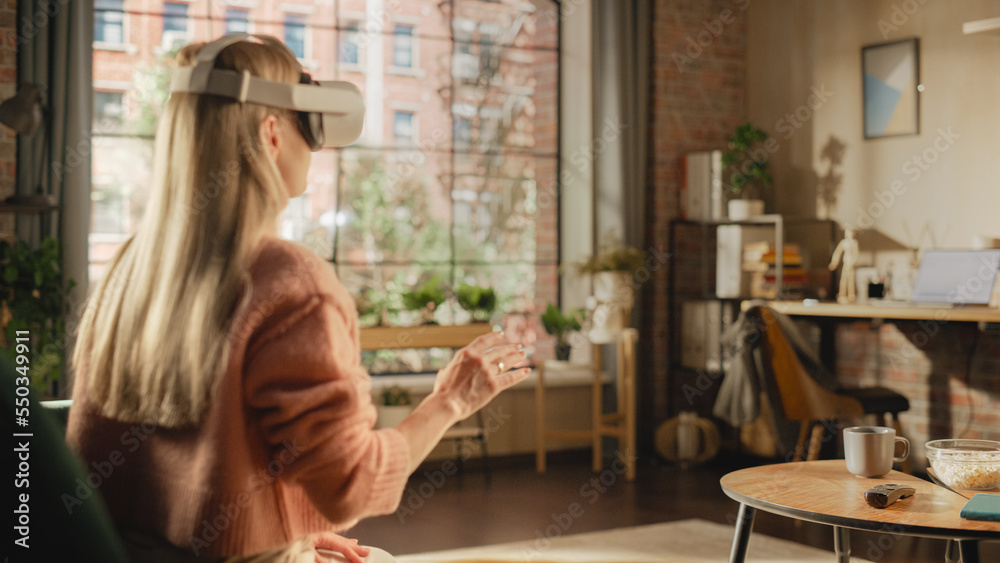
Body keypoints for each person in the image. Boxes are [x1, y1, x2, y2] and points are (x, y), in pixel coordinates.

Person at [66, 34, 528, 562]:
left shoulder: (130, 266)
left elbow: (132, 464)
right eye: (306, 126)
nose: (316, 147)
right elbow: (352, 488)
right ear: (270, 135)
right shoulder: (290, 282)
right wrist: (451, 400)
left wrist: (289, 527)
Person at [828, 225, 859, 303]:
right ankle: (842, 294)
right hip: (846, 264)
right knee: (843, 280)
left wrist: (853, 262)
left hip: (851, 264)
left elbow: (856, 254)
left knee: (851, 280)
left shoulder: (855, 243)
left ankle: (851, 295)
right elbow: (837, 253)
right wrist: (834, 262)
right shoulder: (843, 243)